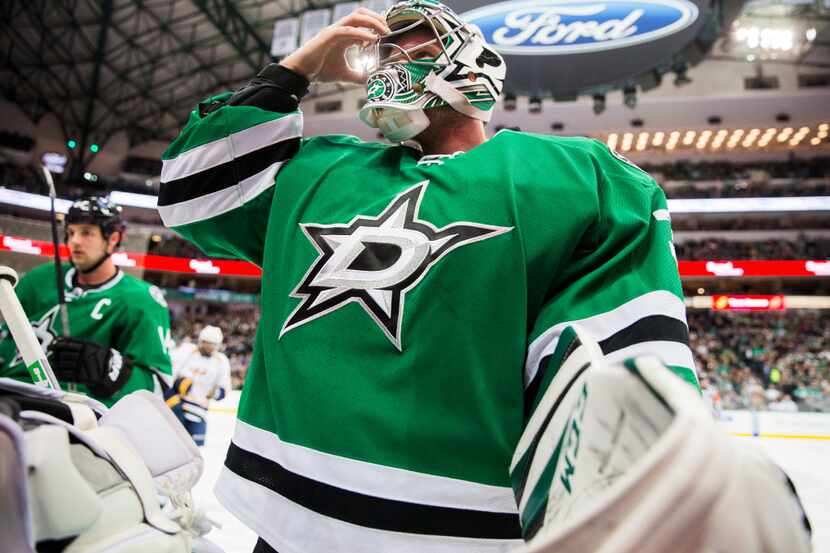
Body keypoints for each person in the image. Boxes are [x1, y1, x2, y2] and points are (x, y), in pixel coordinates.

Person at [157, 2, 807, 552]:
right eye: (384, 53)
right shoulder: (318, 169)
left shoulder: (576, 179)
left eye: (411, 49)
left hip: (460, 531)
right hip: (284, 522)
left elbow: (611, 382)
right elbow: (189, 192)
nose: (388, 62)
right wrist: (294, 70)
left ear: (473, 72)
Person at [0, 195, 172, 406]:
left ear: (113, 239)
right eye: (71, 233)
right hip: (9, 390)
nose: (75, 241)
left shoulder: (142, 300)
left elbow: (157, 386)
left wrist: (111, 370)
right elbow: (5, 339)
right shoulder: (39, 279)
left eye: (87, 233)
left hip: (74, 411)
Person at [165, 325, 232, 446]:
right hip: (178, 406)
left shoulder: (221, 361)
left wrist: (216, 393)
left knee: (195, 450)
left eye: (214, 344)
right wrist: (175, 389)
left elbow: (224, 390)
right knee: (172, 445)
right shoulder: (186, 352)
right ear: (201, 341)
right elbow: (169, 376)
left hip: (199, 411)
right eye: (207, 343)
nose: (210, 347)